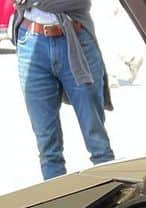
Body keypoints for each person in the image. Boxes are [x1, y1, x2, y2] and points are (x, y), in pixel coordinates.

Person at [12, 0, 114, 180]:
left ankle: (112, 198)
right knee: (47, 146)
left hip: (75, 37)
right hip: (31, 37)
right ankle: (58, 201)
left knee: (97, 140)